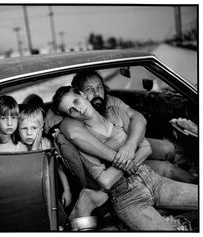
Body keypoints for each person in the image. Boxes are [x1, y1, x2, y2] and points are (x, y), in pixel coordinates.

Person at [52, 86, 198, 231]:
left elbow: (147, 148)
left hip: (153, 179)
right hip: (127, 198)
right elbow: (105, 181)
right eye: (71, 110)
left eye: (76, 101)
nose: (78, 109)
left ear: (83, 94)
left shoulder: (116, 113)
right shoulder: (84, 141)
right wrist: (129, 160)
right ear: (70, 116)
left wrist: (128, 149)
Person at [47, 71, 195, 184]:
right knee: (168, 170)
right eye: (89, 89)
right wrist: (121, 159)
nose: (97, 93)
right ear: (81, 93)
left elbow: (138, 118)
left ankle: (180, 176)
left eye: (99, 87)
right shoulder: (73, 116)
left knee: (168, 148)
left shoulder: (110, 101)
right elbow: (72, 133)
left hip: (131, 146)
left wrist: (130, 146)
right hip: (115, 165)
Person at [18, 99, 72, 208]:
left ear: (42, 127)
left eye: (34, 128)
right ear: (17, 129)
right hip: (28, 195)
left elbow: (59, 168)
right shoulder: (17, 148)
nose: (29, 133)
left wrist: (67, 190)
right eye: (24, 128)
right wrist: (35, 147)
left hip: (50, 191)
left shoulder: (47, 143)